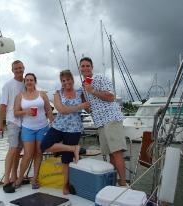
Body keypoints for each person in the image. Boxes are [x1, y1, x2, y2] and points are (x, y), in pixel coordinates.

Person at [79, 57, 127, 186]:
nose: (85, 68)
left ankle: (123, 184)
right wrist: (87, 107)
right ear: (79, 68)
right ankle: (113, 183)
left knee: (117, 153)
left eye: (87, 66)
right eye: (82, 66)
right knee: (111, 155)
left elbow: (111, 97)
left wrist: (92, 90)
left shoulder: (100, 78)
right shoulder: (83, 86)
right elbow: (91, 107)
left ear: (92, 67)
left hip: (111, 119)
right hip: (100, 123)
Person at [41, 69, 90, 195]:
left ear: (72, 80)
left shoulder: (80, 92)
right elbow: (61, 110)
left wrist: (88, 102)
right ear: (61, 82)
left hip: (74, 129)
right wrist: (79, 107)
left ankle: (65, 185)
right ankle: (74, 148)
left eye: (68, 79)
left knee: (66, 159)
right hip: (59, 126)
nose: (66, 82)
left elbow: (89, 108)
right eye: (63, 80)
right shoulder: (58, 93)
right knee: (44, 146)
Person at [14, 73, 54, 189]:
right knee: (27, 155)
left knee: (39, 153)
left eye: (31, 80)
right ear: (25, 82)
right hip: (28, 128)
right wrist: (26, 111)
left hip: (43, 127)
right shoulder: (20, 96)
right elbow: (16, 112)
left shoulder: (42, 94)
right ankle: (20, 178)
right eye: (27, 80)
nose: (29, 82)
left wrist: (53, 123)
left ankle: (34, 179)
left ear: (35, 81)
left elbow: (49, 111)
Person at [0, 60, 25, 193]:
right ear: (12, 70)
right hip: (12, 121)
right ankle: (6, 180)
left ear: (23, 68)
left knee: (18, 151)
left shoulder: (27, 83)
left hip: (24, 121)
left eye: (20, 68)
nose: (18, 70)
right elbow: (2, 105)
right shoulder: (8, 85)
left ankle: (15, 176)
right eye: (16, 69)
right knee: (13, 149)